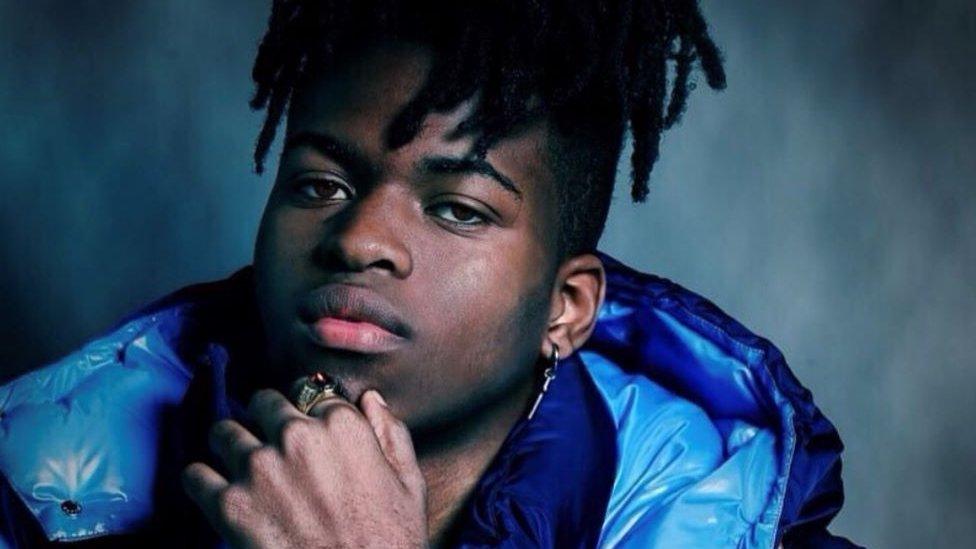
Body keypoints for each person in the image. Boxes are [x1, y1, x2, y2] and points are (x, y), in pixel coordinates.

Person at [0, 1, 857, 547]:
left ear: (567, 308)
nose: (360, 237)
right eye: (320, 184)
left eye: (457, 208)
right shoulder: (28, 499)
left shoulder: (732, 525)